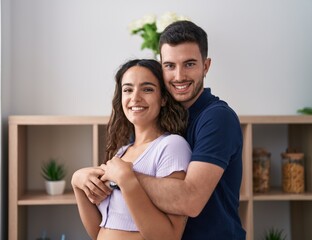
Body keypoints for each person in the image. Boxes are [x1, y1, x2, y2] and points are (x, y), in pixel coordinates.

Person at [91, 21, 246, 239]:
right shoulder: (155, 120)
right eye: (170, 66)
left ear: (206, 66)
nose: (179, 76)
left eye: (190, 64)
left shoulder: (217, 118)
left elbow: (190, 202)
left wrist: (123, 176)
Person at [71, 59, 192, 240]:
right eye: (128, 90)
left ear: (164, 98)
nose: (135, 98)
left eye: (147, 89)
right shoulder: (122, 152)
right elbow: (99, 232)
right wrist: (77, 183)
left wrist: (126, 179)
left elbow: (169, 237)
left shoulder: (172, 146)